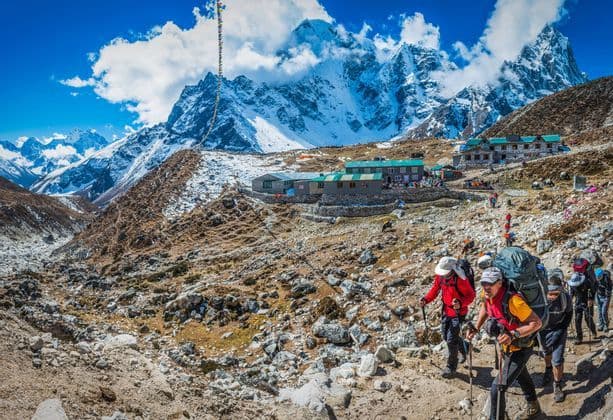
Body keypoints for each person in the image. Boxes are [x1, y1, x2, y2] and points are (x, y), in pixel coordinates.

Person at [466, 267, 542, 420]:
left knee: (497, 388)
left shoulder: (514, 301)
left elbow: (536, 322)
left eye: (490, 283)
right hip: (506, 345)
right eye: (483, 283)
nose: (486, 287)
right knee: (521, 374)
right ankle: (534, 404)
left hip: (521, 347)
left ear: (499, 283)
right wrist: (476, 327)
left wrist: (514, 334)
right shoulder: (487, 295)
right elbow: (485, 308)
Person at [420, 257, 476, 378]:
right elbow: (435, 289)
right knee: (446, 336)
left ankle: (451, 367)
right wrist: (426, 299)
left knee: (451, 340)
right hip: (446, 310)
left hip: (458, 313)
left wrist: (460, 304)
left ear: (451, 270)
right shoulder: (441, 277)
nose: (443, 274)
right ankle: (465, 346)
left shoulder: (461, 280)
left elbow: (471, 296)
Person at [539, 273, 573, 402]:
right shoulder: (540, 298)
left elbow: (569, 314)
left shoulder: (566, 298)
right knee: (546, 352)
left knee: (557, 360)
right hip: (542, 330)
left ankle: (557, 385)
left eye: (556, 293)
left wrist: (560, 331)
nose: (552, 297)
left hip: (559, 329)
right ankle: (548, 369)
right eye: (550, 293)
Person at [569, 258, 598, 344]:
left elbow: (593, 289)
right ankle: (579, 338)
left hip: (587, 300)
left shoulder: (587, 280)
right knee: (577, 319)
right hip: (578, 301)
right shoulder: (573, 281)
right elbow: (571, 292)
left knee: (588, 318)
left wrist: (591, 299)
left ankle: (593, 331)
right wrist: (570, 299)